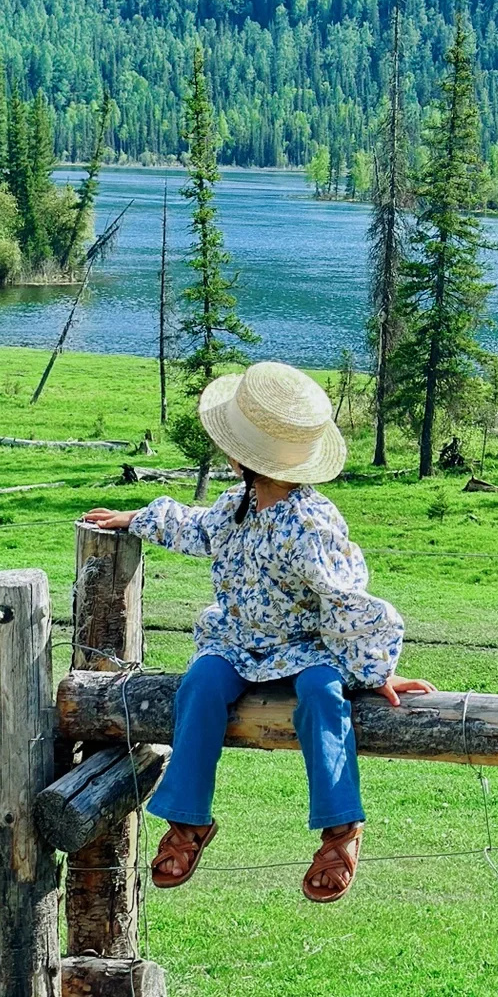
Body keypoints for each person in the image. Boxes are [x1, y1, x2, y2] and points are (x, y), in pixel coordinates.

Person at [82, 359, 434, 904]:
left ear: (241, 455)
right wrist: (138, 518)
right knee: (199, 686)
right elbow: (197, 527)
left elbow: (345, 601)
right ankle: (189, 819)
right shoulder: (239, 505)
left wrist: (372, 673)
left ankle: (341, 828)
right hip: (238, 640)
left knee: (322, 693)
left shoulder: (312, 524)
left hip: (306, 647)